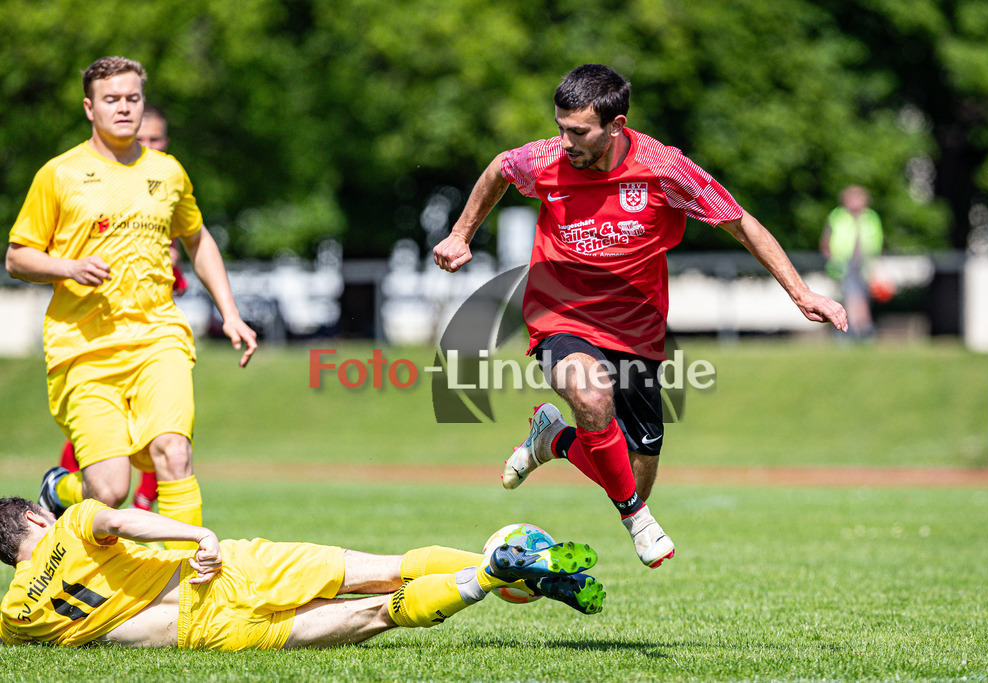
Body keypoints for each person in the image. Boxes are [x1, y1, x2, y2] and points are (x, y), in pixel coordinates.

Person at [433, 64, 848, 569]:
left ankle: (555, 439)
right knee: (591, 397)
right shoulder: (545, 160)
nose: (564, 142)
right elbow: (500, 168)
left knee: (634, 471)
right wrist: (461, 234)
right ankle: (636, 518)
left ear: (616, 125)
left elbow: (740, 223)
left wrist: (801, 293)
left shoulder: (664, 169)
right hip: (560, 315)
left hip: (637, 330)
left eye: (578, 132)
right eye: (560, 127)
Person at [4, 56, 257, 550]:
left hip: (158, 337)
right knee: (109, 490)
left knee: (174, 454)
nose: (123, 108)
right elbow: (17, 258)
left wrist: (230, 313)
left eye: (132, 98)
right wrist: (68, 267)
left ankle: (191, 576)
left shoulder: (168, 171)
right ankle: (61, 490)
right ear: (89, 108)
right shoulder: (59, 174)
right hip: (84, 348)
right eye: (111, 99)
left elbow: (197, 239)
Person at [0, 496, 605, 649]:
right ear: (32, 516)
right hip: (229, 568)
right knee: (388, 570)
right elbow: (122, 520)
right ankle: (516, 570)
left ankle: (489, 578)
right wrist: (198, 534)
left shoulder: (16, 616)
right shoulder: (71, 523)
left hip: (204, 632)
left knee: (377, 613)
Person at [57, 103, 183, 513]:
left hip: (152, 342)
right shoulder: (88, 183)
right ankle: (61, 492)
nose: (146, 144)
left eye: (154, 138)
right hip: (97, 344)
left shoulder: (168, 188)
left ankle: (153, 523)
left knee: (170, 442)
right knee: (105, 480)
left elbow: (182, 262)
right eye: (139, 138)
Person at [820, 185, 884, 339]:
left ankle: (863, 327)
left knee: (862, 295)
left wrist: (878, 263)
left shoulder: (871, 217)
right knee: (851, 294)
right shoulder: (837, 216)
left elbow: (878, 240)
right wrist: (832, 258)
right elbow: (826, 241)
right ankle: (852, 328)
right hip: (843, 263)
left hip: (865, 262)